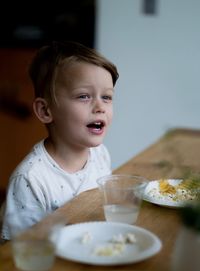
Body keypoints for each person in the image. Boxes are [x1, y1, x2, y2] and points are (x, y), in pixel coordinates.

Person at [1, 41, 119, 240]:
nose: (100, 107)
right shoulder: (31, 179)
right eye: (83, 96)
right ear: (46, 111)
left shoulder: (100, 154)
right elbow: (18, 251)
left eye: (107, 97)